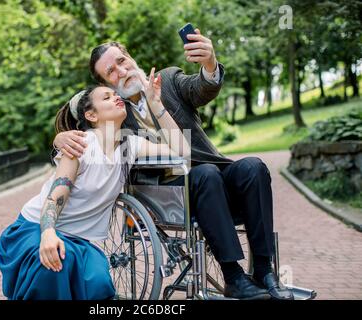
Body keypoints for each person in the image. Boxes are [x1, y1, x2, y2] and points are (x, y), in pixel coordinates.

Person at [53, 29, 294, 300]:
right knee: (205, 174)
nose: (121, 70)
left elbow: (202, 88)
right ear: (108, 85)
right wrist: (60, 137)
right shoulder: (116, 114)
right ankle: (233, 276)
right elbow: (81, 116)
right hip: (166, 193)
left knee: (253, 167)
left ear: (130, 57)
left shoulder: (167, 79)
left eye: (122, 60)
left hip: (211, 176)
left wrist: (209, 63)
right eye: (111, 72)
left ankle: (264, 269)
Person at [0, 69, 190, 300]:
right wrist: (47, 233)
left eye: (114, 94)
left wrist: (156, 103)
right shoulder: (81, 144)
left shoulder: (131, 145)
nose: (116, 97)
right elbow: (57, 194)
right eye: (106, 97)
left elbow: (182, 152)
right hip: (37, 227)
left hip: (79, 239)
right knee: (54, 269)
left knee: (99, 284)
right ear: (91, 115)